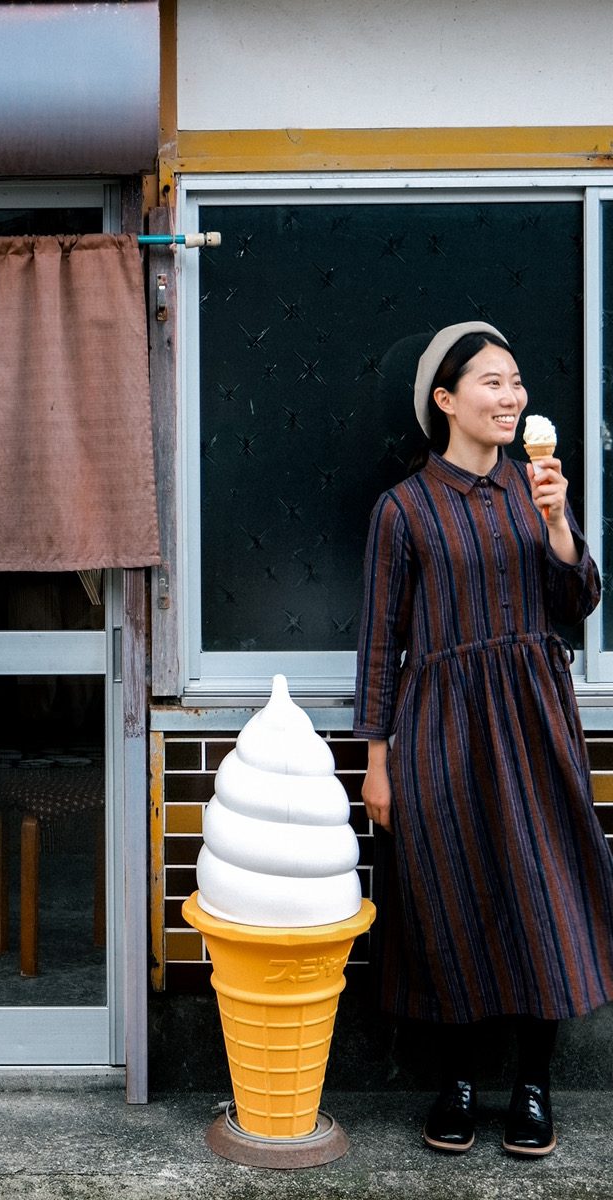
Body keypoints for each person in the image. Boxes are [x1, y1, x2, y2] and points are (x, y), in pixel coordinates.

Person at [353, 321, 613, 1158]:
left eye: (517, 382)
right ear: (446, 400)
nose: (513, 397)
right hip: (441, 728)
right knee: (450, 898)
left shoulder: (534, 490)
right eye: (493, 383)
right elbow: (379, 641)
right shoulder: (403, 509)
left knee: (545, 894)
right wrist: (378, 763)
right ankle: (458, 1084)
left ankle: (533, 1087)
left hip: (536, 720)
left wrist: (561, 526)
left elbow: (576, 603)